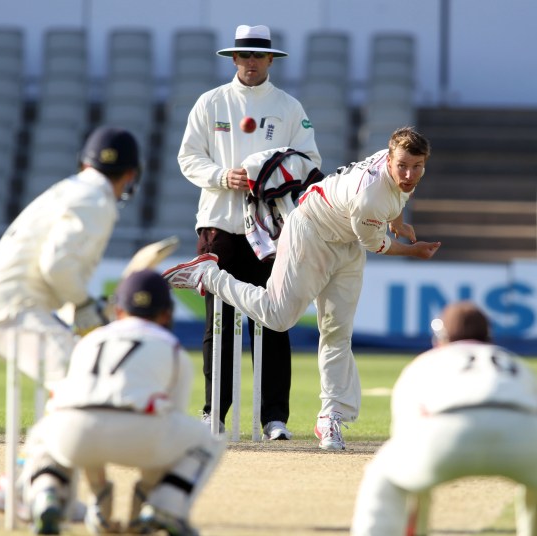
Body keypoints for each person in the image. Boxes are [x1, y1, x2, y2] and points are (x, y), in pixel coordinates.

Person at [164, 126, 442, 450]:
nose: (409, 174)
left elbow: (395, 196)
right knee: (278, 317)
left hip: (347, 243)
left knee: (338, 332)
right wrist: (414, 249)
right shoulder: (371, 196)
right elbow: (379, 244)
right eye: (403, 166)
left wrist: (395, 220)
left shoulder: (391, 166)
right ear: (389, 160)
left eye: (417, 166)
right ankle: (208, 275)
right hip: (311, 231)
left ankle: (331, 418)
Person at [0, 126, 142, 514]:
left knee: (75, 385)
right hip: (10, 307)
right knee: (81, 385)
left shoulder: (71, 189)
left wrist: (78, 311)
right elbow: (56, 265)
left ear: (85, 162)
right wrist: (86, 305)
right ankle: (26, 488)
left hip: (5, 303)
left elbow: (54, 266)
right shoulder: (97, 200)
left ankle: (33, 488)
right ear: (131, 174)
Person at [177, 24, 322, 440]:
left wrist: (268, 178)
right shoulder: (211, 103)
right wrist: (225, 176)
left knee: (275, 319)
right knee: (218, 323)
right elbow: (188, 158)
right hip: (219, 224)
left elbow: (310, 162)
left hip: (274, 228)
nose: (252, 62)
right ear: (234, 59)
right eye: (245, 55)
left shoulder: (289, 106)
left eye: (259, 56)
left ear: (271, 59)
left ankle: (273, 417)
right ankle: (212, 413)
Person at [21, 268, 225, 535]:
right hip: (141, 435)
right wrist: (140, 501)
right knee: (208, 438)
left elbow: (85, 408)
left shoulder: (90, 341)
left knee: (43, 434)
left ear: (117, 311)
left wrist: (100, 496)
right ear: (166, 314)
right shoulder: (173, 348)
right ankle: (166, 506)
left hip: (73, 432)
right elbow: (170, 418)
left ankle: (46, 493)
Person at [350, 301, 537, 535]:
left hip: (447, 432)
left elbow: (404, 427)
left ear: (441, 336)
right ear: (488, 336)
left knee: (385, 473)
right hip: (523, 435)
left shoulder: (427, 361)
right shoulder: (513, 361)